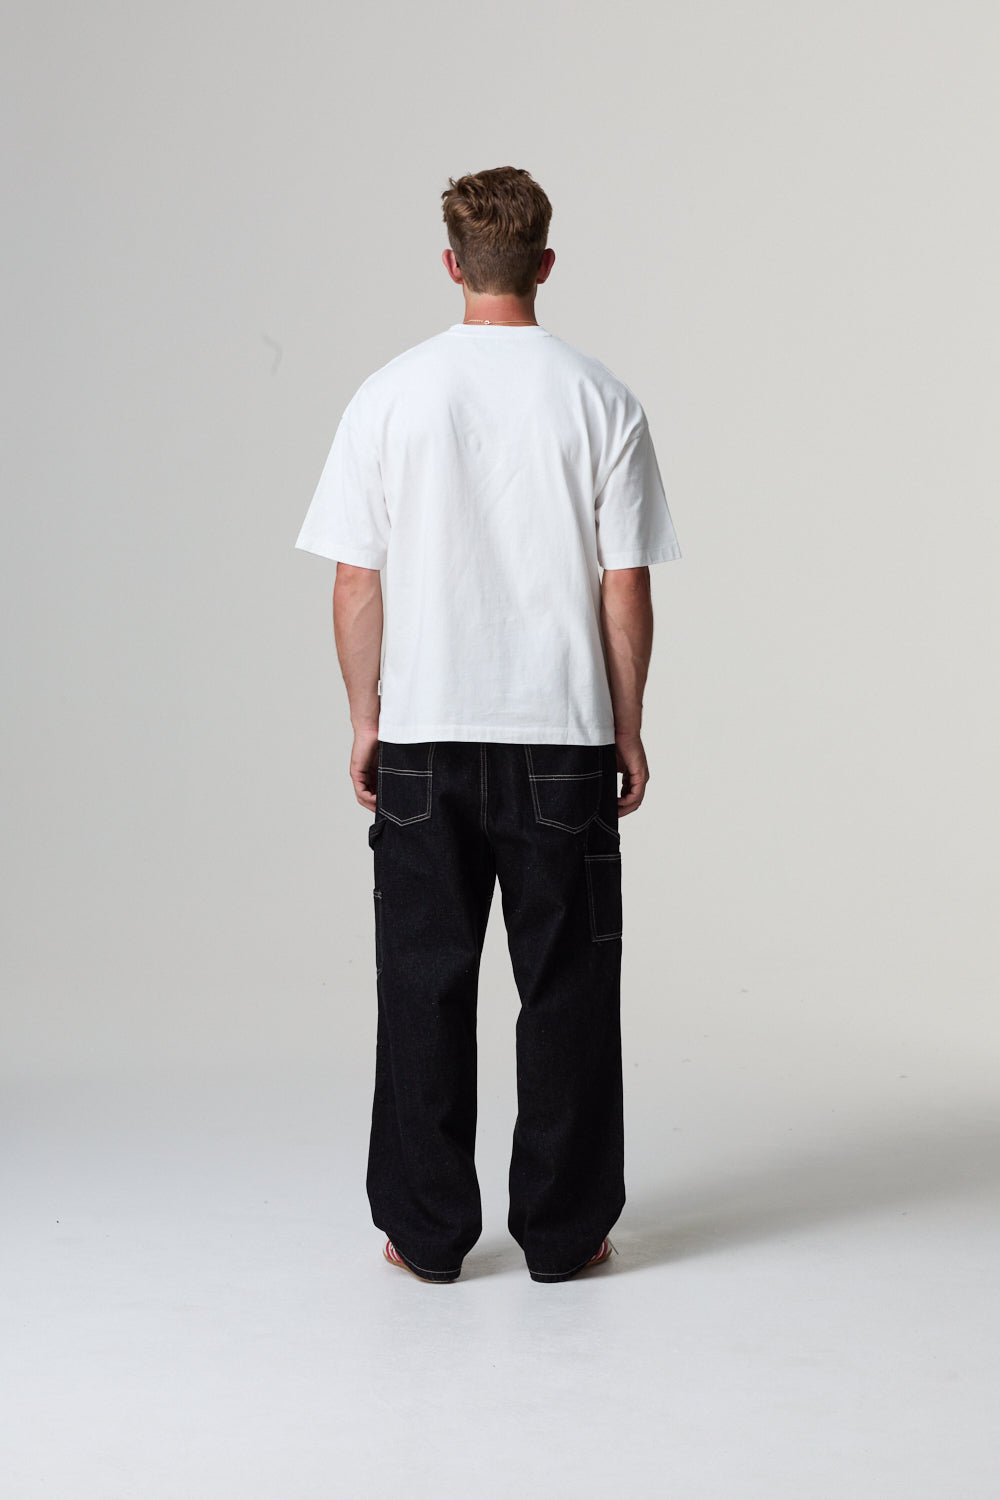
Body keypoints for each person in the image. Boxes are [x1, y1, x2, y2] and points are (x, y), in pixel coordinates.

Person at [294, 165, 682, 1284]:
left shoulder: (390, 395)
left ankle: (425, 1234)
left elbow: (354, 585)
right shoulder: (599, 398)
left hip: (423, 736)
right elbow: (624, 587)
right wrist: (627, 724)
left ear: (452, 264)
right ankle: (565, 1236)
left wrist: (365, 718)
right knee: (565, 987)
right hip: (560, 738)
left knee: (424, 986)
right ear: (544, 265)